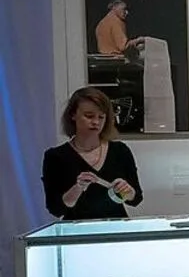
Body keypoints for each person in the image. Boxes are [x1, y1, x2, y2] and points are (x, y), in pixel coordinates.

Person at [42, 87, 143, 220]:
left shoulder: (120, 151)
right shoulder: (55, 157)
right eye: (89, 116)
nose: (96, 122)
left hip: (115, 226)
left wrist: (127, 191)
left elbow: (135, 199)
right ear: (73, 115)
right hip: (76, 228)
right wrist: (78, 188)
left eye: (101, 117)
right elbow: (56, 209)